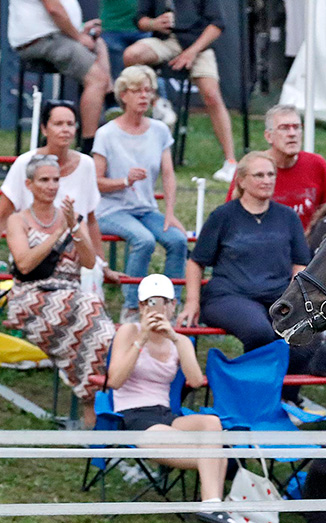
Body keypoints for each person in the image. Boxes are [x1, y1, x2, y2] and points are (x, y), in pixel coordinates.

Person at [105, 274, 240, 523]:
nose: (155, 309)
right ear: (140, 306)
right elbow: (114, 381)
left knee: (211, 424)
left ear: (172, 306)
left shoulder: (179, 341)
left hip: (165, 414)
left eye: (162, 303)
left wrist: (176, 338)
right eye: (148, 303)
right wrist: (141, 338)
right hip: (133, 417)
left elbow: (196, 380)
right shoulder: (128, 332)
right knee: (217, 455)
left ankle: (211, 517)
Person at [177, 152, 313, 400]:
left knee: (304, 334)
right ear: (241, 181)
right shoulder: (224, 216)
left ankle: (284, 400)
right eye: (259, 175)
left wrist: (297, 299)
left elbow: (300, 264)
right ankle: (247, 397)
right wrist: (192, 301)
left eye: (271, 174)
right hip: (228, 295)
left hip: (277, 295)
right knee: (259, 330)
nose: (267, 180)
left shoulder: (288, 217)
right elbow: (196, 262)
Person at [3, 154, 115, 425]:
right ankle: (94, 399)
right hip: (31, 295)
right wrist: (57, 234)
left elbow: (89, 262)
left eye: (55, 179)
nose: (51, 185)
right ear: (29, 185)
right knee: (89, 311)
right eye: (44, 180)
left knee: (98, 328)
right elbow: (26, 265)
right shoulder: (18, 220)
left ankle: (96, 397)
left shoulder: (70, 216)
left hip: (72, 295)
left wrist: (74, 228)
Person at [94, 65, 187, 323]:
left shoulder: (159, 130)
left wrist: (169, 213)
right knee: (143, 240)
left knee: (178, 240)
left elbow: (168, 175)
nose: (144, 96)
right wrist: (124, 180)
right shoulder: (106, 134)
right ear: (124, 95)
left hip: (146, 209)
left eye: (148, 91)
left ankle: (171, 305)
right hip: (111, 209)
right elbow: (96, 182)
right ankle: (132, 308)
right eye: (137, 91)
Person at [0, 101, 117, 283]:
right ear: (44, 129)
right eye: (58, 124)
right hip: (34, 257)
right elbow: (3, 212)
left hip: (77, 257)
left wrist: (102, 264)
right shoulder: (25, 164)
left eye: (70, 124)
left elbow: (91, 220)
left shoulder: (86, 164)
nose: (65, 130)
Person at [125, 0, 238, 182]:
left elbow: (217, 25)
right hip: (164, 41)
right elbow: (140, 20)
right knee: (131, 55)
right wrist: (154, 24)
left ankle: (231, 162)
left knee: (212, 96)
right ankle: (158, 103)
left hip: (199, 45)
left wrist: (191, 52)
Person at [7, 0, 112, 152]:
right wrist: (79, 37)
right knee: (97, 79)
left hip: (54, 37)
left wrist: (80, 29)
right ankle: (89, 147)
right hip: (44, 40)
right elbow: (54, 10)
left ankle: (111, 99)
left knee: (99, 44)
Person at [225, 104, 326, 230]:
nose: (292, 134)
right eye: (284, 128)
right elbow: (230, 215)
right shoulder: (252, 167)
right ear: (268, 136)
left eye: (296, 127)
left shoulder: (317, 164)